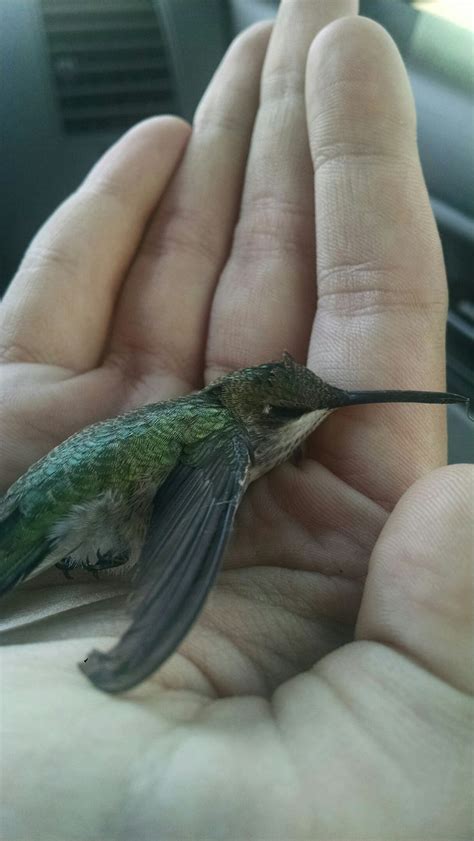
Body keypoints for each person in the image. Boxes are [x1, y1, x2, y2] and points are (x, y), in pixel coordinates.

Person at [0, 2, 472, 839]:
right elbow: (190, 524)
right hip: (74, 502)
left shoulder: (217, 423)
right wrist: (151, 628)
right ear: (261, 418)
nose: (318, 417)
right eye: (294, 412)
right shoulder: (220, 442)